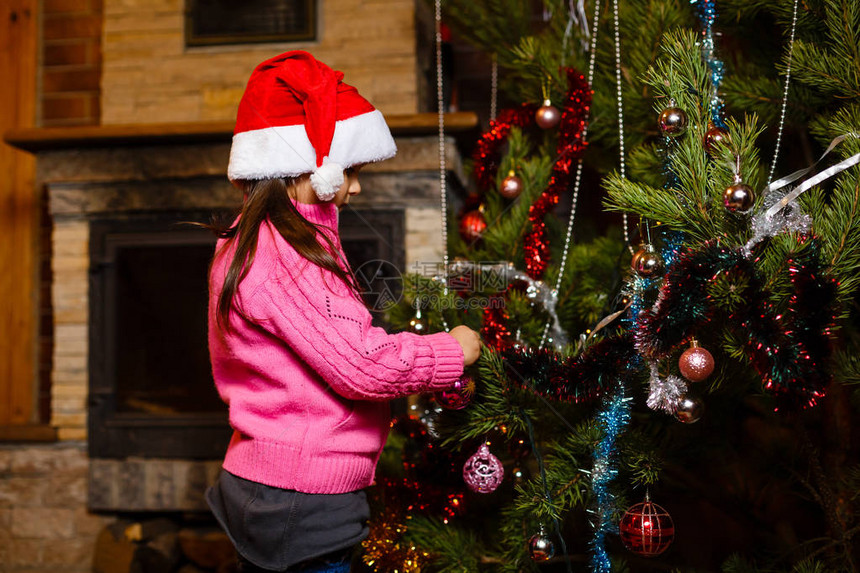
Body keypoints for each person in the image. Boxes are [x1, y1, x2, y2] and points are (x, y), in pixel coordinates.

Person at [204, 50, 482, 573]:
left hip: (268, 483)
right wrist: (454, 350)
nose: (355, 186)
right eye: (349, 170)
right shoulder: (282, 257)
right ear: (304, 167)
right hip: (302, 500)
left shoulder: (251, 240)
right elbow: (363, 365)